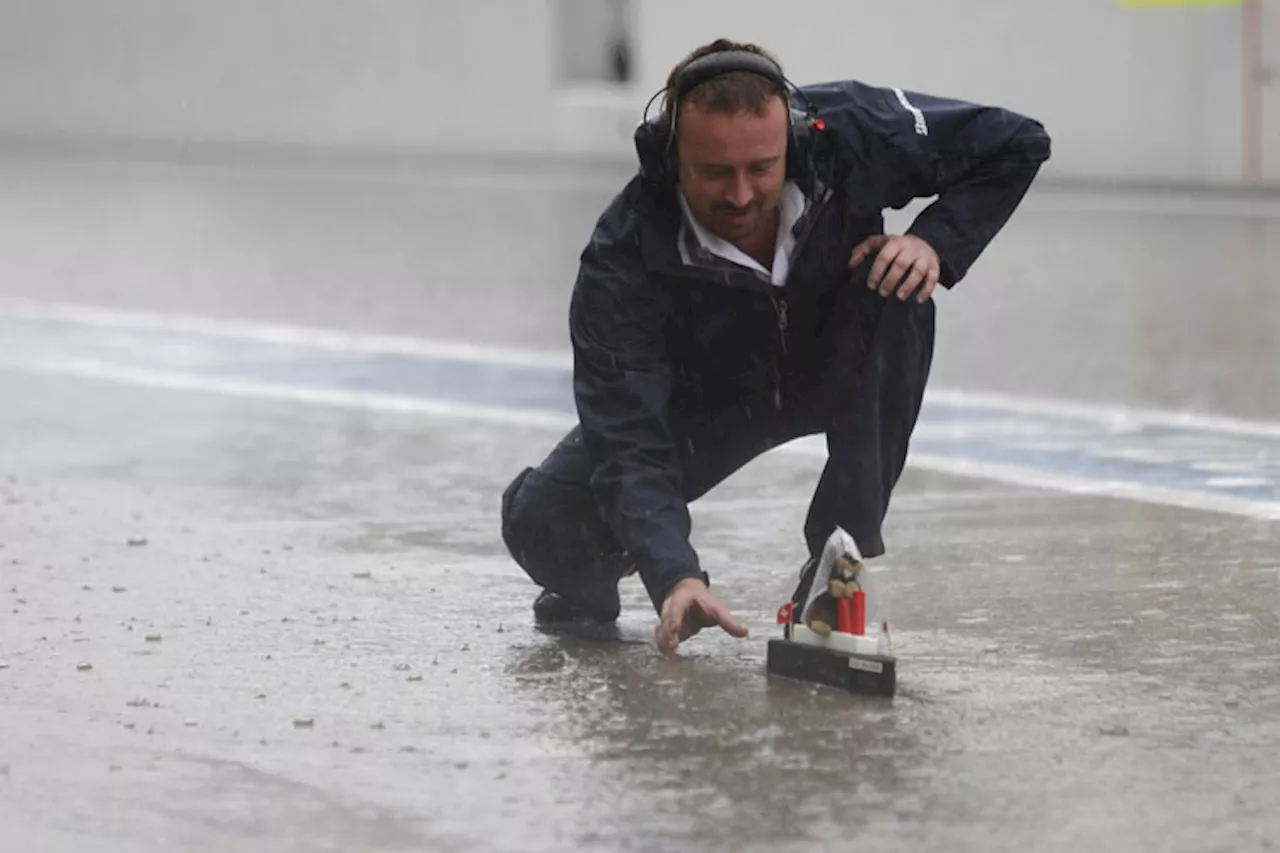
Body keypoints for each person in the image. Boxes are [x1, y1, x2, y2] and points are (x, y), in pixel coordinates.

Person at [500, 38, 1050, 656]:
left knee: (901, 288)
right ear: (668, 158)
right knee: (540, 521)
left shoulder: (852, 129)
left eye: (761, 167)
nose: (740, 196)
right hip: (708, 404)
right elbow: (626, 437)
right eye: (713, 172)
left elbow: (1017, 142)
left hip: (832, 360)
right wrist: (674, 574)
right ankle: (593, 584)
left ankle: (835, 569)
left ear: (794, 138)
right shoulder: (622, 254)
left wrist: (935, 242)